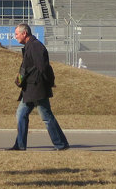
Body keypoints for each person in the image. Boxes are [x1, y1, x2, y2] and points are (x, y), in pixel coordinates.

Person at [9, 23, 69, 151]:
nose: (15, 37)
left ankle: (60, 144)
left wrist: (48, 83)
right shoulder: (30, 46)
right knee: (21, 114)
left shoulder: (35, 46)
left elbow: (44, 67)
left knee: (46, 116)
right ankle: (20, 144)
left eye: (17, 34)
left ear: (24, 33)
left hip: (37, 89)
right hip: (30, 89)